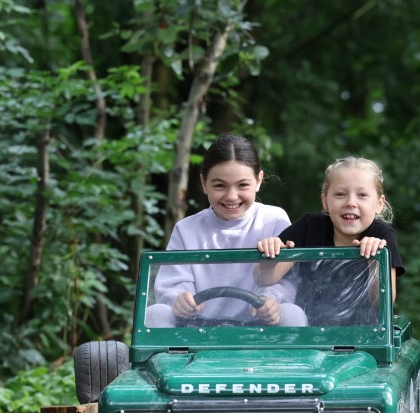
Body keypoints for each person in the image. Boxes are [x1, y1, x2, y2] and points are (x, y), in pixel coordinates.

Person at [145, 135, 306, 327]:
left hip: (259, 326)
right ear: (204, 183)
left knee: (292, 313)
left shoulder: (274, 220)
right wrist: (180, 300)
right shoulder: (186, 228)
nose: (231, 196)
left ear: (259, 180)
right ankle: (172, 358)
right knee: (155, 314)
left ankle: (284, 359)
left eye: (243, 185)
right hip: (196, 328)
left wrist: (271, 301)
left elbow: (285, 278)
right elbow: (173, 284)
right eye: (220, 185)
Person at [254, 156, 405, 325]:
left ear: (379, 204)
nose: (351, 203)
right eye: (340, 194)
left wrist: (375, 260)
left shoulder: (382, 235)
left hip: (363, 338)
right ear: (325, 201)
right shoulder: (309, 226)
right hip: (308, 335)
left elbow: (383, 302)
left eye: (362, 195)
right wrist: (271, 254)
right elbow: (264, 279)